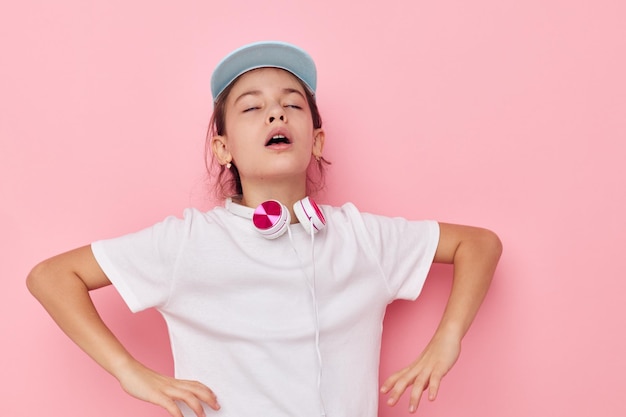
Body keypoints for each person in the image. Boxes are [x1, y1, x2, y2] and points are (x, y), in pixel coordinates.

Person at [27, 41, 502, 417]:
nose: (276, 114)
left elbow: (479, 244)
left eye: (292, 105)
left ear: (316, 140)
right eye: (252, 109)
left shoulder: (362, 238)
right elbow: (50, 276)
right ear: (223, 149)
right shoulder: (188, 244)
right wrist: (127, 371)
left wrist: (447, 340)